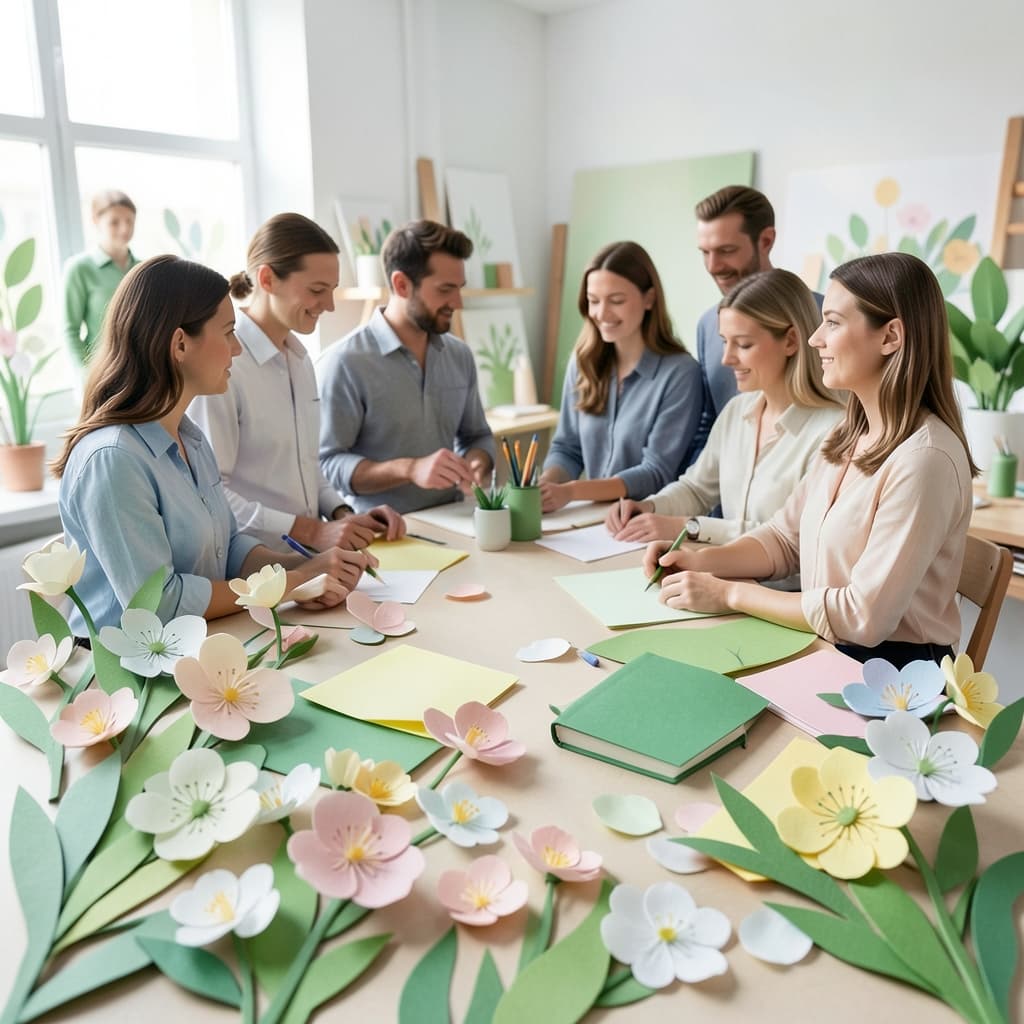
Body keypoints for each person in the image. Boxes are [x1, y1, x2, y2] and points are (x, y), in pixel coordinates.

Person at [643, 252, 976, 668]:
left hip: (891, 675)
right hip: (825, 648)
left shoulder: (925, 461)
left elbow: (863, 617)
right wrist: (697, 560)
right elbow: (784, 539)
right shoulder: (847, 434)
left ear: (890, 337)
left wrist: (730, 593)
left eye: (832, 323)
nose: (815, 339)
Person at [54, 255, 372, 635]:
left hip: (207, 644)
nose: (236, 349)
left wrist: (305, 567)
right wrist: (291, 585)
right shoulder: (112, 460)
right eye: (227, 332)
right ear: (180, 345)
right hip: (126, 677)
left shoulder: (189, 436)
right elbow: (161, 604)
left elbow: (231, 546)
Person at [189, 213, 404, 556]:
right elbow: (210, 492)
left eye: (331, 291)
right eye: (317, 290)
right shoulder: (224, 368)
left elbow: (308, 466)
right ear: (267, 278)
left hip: (312, 562)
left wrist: (344, 516)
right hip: (254, 570)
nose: (330, 306)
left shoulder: (301, 361)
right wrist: (313, 531)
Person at [606, 269, 842, 546]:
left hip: (780, 589)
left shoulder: (834, 430)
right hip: (722, 576)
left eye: (743, 344)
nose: (727, 359)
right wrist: (648, 507)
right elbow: (696, 489)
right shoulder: (736, 411)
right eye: (724, 342)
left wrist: (690, 527)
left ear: (790, 341)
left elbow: (794, 538)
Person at [318, 220, 495, 514]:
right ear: (401, 284)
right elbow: (327, 465)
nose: (458, 302)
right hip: (383, 533)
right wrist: (409, 469)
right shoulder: (344, 362)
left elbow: (477, 435)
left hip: (455, 519)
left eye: (459, 289)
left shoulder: (459, 355)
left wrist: (477, 461)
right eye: (445, 290)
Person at [538, 241, 702, 513]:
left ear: (649, 299)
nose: (602, 314)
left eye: (616, 301)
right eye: (593, 301)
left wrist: (571, 491)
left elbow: (656, 472)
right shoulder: (583, 362)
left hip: (647, 521)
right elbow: (568, 448)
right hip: (590, 519)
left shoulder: (681, 373)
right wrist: (545, 486)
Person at [690, 185, 823, 456]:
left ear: (766, 241)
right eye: (705, 252)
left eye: (726, 250)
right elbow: (708, 426)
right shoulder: (707, 325)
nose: (713, 266)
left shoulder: (824, 316)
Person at [63, 189, 140, 368]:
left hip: (144, 373)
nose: (125, 228)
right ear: (96, 221)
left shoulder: (143, 268)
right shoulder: (79, 269)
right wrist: (89, 377)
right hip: (103, 374)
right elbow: (70, 331)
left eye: (130, 221)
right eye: (115, 222)